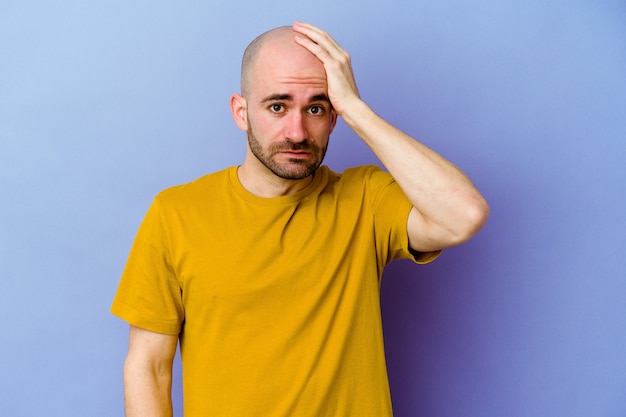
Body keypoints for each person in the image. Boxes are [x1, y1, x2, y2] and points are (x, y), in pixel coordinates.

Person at [111, 21, 489, 417]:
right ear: (241, 113)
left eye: (316, 108)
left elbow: (463, 215)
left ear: (334, 117)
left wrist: (358, 110)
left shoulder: (366, 200)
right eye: (277, 106)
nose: (297, 131)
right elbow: (148, 367)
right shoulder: (177, 213)